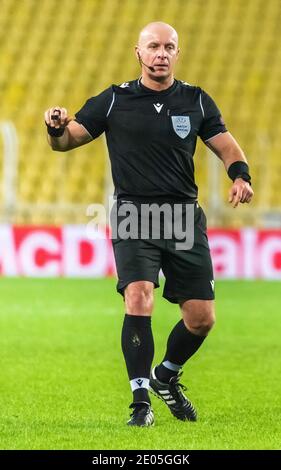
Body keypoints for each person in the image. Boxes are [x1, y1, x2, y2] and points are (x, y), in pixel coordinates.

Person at [45, 21, 254, 427]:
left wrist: (241, 176)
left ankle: (166, 376)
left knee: (202, 318)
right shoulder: (114, 100)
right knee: (139, 295)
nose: (161, 53)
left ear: (177, 53)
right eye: (153, 46)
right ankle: (141, 403)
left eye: (169, 47)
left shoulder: (195, 100)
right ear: (137, 53)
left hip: (182, 218)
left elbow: (227, 147)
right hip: (133, 215)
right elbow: (67, 140)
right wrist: (54, 128)